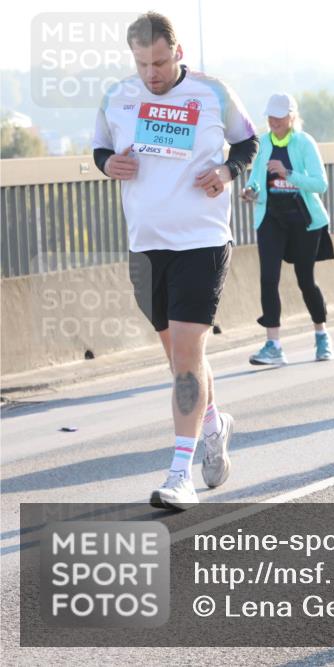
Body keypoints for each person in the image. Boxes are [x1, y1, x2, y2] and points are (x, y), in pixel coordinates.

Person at [93, 12, 258, 510]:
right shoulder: (116, 97)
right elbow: (101, 148)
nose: (152, 74)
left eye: (160, 62)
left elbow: (248, 141)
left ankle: (178, 475)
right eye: (142, 63)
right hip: (146, 244)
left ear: (178, 52)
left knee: (187, 356)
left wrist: (228, 171)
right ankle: (214, 424)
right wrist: (108, 165)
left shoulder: (213, 93)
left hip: (201, 240)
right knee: (179, 361)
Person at [241, 93, 334, 365]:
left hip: (303, 221)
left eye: (279, 117)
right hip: (271, 218)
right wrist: (251, 190)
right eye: (270, 117)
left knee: (306, 280)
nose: (274, 122)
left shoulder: (305, 143)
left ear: (292, 117)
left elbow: (320, 184)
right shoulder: (265, 142)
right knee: (268, 278)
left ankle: (321, 334)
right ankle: (273, 345)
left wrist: (288, 173)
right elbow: (257, 178)